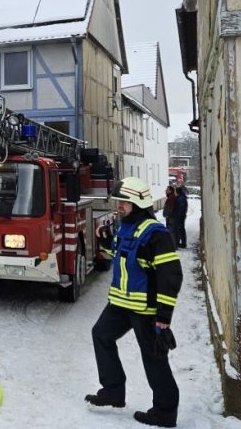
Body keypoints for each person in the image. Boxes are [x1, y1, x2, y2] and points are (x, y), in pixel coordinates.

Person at [86, 176, 183, 428]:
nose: (118, 206)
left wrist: (163, 316)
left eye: (123, 202)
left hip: (145, 309)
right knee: (101, 334)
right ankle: (113, 392)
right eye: (118, 201)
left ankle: (165, 412)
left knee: (153, 357)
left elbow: (171, 275)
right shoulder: (126, 227)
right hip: (120, 304)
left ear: (138, 203)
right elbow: (120, 256)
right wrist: (106, 241)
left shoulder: (156, 234)